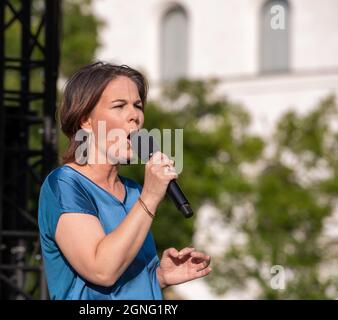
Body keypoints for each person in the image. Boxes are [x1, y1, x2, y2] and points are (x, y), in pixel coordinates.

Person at [38, 62, 212, 300]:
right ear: (86, 120)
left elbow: (119, 283)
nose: (135, 117)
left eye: (138, 106)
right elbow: (102, 270)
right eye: (119, 106)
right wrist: (150, 197)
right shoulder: (65, 185)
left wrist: (158, 277)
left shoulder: (133, 192)